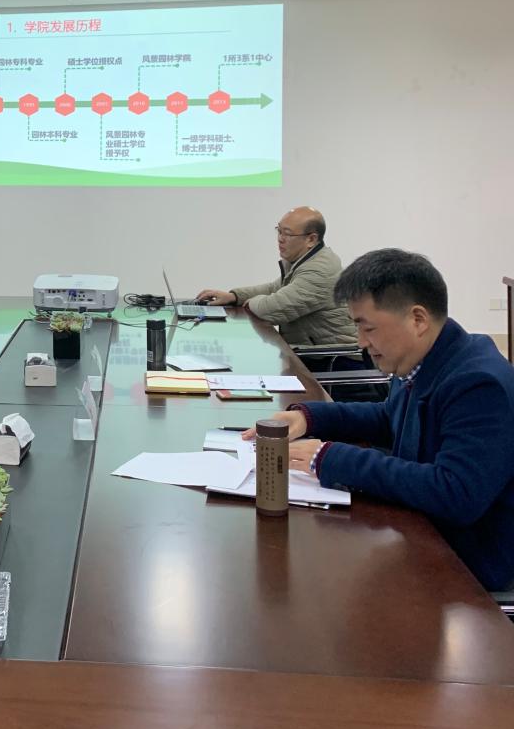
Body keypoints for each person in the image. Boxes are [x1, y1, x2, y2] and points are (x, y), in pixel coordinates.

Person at [244, 248, 514, 591]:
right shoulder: (422, 357)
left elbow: (456, 493)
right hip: (419, 528)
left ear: (417, 319)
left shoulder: (478, 384)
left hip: (465, 562)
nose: (361, 342)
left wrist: (332, 458)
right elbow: (390, 418)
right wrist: (309, 418)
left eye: (368, 328)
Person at [196, 206, 357, 347]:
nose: (280, 239)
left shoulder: (319, 270)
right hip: (310, 353)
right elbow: (274, 288)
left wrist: (250, 303)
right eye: (279, 231)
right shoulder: (303, 260)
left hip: (333, 359)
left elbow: (272, 309)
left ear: (311, 239)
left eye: (287, 234)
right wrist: (234, 296)